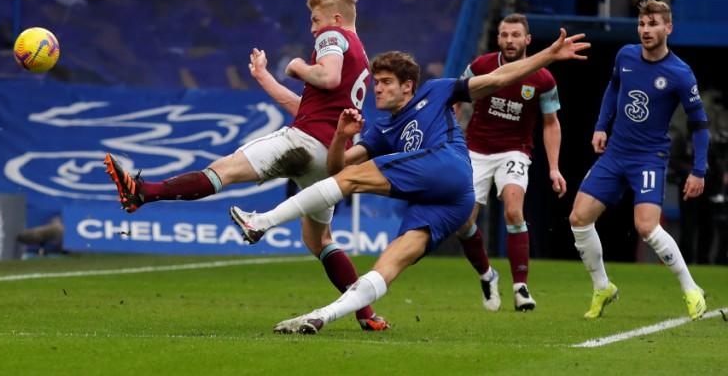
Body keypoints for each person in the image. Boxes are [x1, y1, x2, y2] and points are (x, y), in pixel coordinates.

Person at [230, 29, 588, 334]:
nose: (378, 89)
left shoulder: (438, 91)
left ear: (408, 87)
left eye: (386, 83)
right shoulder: (382, 131)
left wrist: (548, 55)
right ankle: (322, 316)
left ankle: (262, 221)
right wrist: (340, 136)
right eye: (377, 82)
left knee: (360, 179)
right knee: (388, 264)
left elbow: (497, 79)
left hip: (448, 167)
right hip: (447, 201)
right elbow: (338, 171)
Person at [105, 0, 388, 331]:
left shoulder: (333, 36)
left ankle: (142, 192)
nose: (313, 29)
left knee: (222, 171)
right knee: (320, 240)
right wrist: (265, 78)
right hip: (328, 154)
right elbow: (308, 108)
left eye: (315, 20)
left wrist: (297, 66)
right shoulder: (359, 54)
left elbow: (325, 77)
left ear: (337, 19)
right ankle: (366, 314)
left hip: (302, 142)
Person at [569, 0, 709, 320]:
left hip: (649, 157)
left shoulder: (680, 73)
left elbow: (699, 125)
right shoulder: (625, 55)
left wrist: (698, 170)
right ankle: (602, 286)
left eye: (653, 24)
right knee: (578, 218)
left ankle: (691, 289)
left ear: (668, 28)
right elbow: (613, 88)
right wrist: (601, 126)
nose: (646, 30)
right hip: (616, 152)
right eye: (642, 24)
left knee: (646, 227)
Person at [453, 13, 567, 312]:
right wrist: (454, 138)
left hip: (514, 152)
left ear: (527, 40)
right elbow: (459, 98)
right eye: (505, 34)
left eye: (516, 35)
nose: (510, 40)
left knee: (514, 211)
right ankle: (487, 275)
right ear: (498, 38)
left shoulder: (542, 78)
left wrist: (554, 168)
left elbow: (551, 123)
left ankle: (521, 287)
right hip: (475, 150)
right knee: (463, 222)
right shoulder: (481, 66)